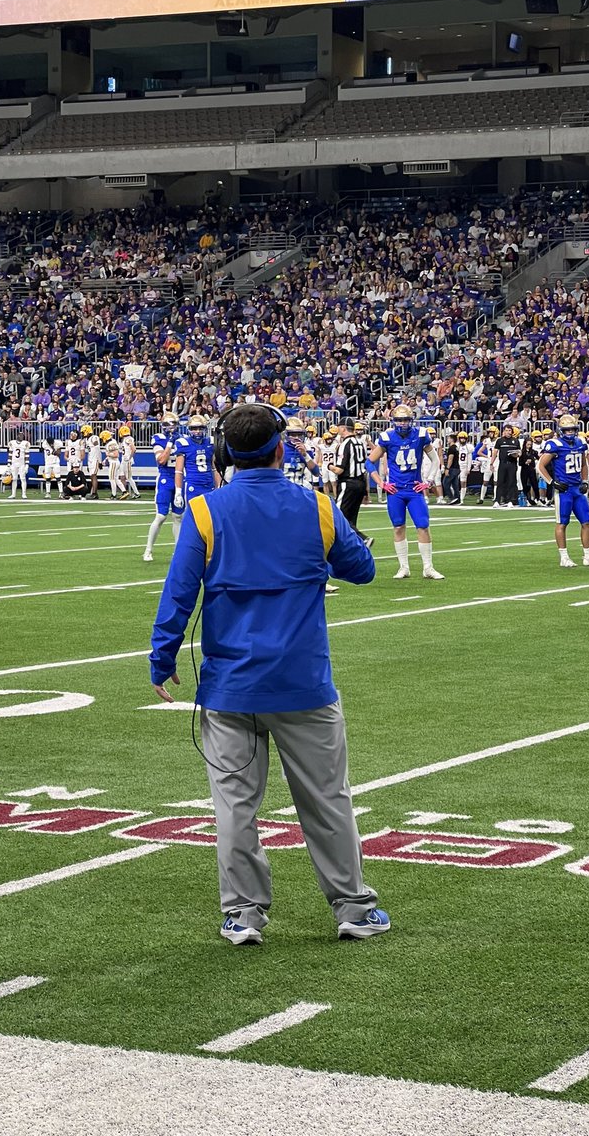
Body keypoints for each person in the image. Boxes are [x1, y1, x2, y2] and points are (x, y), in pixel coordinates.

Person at [149, 403, 389, 946]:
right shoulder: (316, 507)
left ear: (224, 453)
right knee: (327, 798)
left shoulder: (206, 511)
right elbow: (364, 570)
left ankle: (243, 914)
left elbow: (179, 594)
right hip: (303, 681)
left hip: (230, 685)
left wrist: (162, 660)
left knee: (234, 805)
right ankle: (352, 906)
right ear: (281, 448)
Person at [367, 404, 443, 581]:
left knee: (423, 525)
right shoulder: (387, 437)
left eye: (406, 420)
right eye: (399, 420)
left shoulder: (421, 435)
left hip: (414, 490)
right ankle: (404, 567)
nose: (402, 424)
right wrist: (381, 483)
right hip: (396, 491)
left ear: (411, 420)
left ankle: (428, 568)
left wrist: (429, 481)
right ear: (394, 421)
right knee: (398, 526)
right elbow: (369, 462)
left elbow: (435, 460)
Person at [536, 414, 589, 568]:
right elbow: (540, 466)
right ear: (561, 430)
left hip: (577, 489)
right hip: (564, 490)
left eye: (572, 429)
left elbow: (584, 465)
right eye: (567, 430)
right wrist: (552, 482)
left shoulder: (580, 442)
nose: (570, 433)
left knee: (587, 521)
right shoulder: (555, 445)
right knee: (562, 523)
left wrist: (585, 481)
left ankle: (588, 556)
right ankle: (564, 557)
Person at [144, 412, 184, 562]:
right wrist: (169, 444)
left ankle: (178, 551)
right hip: (165, 479)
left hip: (180, 478)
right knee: (161, 516)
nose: (171, 427)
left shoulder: (183, 440)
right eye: (168, 424)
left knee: (178, 517)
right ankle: (148, 550)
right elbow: (161, 460)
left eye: (173, 424)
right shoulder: (159, 438)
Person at [331, 418, 372, 547]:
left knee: (337, 517)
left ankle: (362, 539)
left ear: (343, 428)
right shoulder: (360, 443)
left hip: (347, 484)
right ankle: (354, 548)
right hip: (360, 483)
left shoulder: (344, 444)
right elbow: (364, 469)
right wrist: (366, 491)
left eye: (339, 427)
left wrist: (329, 466)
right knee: (351, 520)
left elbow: (339, 470)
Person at [175, 415, 221, 505]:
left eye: (200, 428)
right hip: (193, 485)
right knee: (192, 515)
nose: (197, 431)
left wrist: (219, 487)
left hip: (209, 484)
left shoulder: (210, 442)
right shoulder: (183, 443)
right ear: (189, 429)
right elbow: (178, 471)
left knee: (210, 516)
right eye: (194, 429)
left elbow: (215, 468)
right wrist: (178, 492)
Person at [493, 423, 520, 508]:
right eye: (506, 430)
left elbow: (519, 452)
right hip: (502, 463)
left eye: (509, 430)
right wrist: (491, 463)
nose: (508, 432)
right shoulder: (500, 440)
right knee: (500, 482)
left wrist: (515, 455)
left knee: (511, 482)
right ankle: (497, 500)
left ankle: (510, 501)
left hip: (512, 464)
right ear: (503, 431)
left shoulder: (515, 441)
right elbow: (495, 452)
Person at [118, 424, 140, 498]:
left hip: (127, 460)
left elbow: (134, 449)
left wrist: (129, 458)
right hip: (124, 459)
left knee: (129, 477)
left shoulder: (128, 439)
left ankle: (137, 493)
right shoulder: (125, 439)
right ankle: (125, 492)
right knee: (124, 476)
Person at [518, 435, 541, 507]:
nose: (529, 446)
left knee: (535, 484)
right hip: (524, 470)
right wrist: (525, 462)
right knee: (525, 485)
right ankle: (527, 499)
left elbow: (538, 458)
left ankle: (537, 499)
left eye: (530, 444)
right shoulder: (522, 452)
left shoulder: (533, 452)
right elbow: (520, 463)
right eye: (528, 444)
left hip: (531, 470)